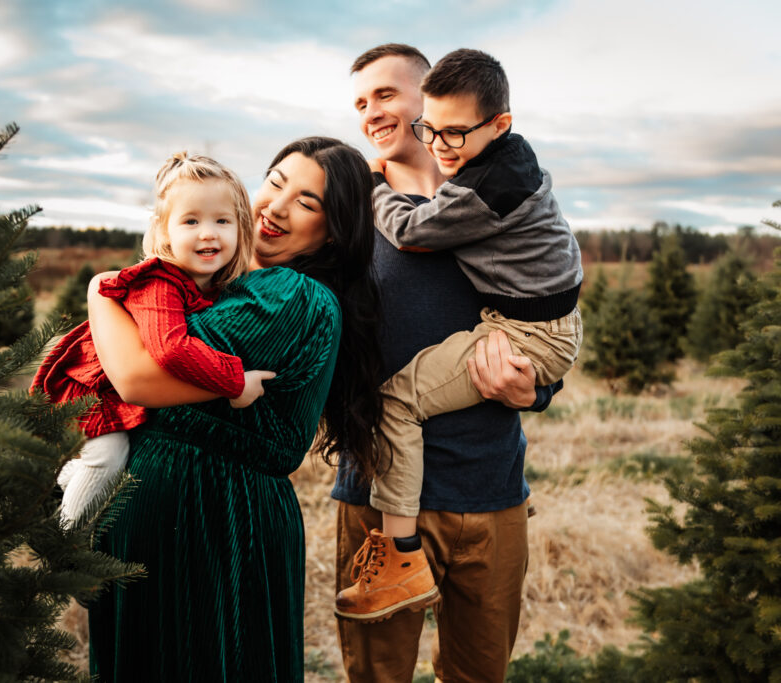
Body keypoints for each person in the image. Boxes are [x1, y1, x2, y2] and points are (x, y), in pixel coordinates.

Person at [87, 137, 386, 682]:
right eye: (274, 182)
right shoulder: (230, 285)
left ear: (335, 228)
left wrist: (100, 292)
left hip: (210, 513)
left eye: (306, 201)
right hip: (180, 506)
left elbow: (136, 372)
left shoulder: (289, 295)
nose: (275, 206)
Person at [333, 44, 561, 682]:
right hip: (378, 500)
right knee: (376, 676)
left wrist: (532, 391)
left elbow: (551, 328)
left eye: (385, 94)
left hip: (489, 494)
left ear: (429, 99)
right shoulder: (349, 215)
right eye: (358, 103)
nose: (370, 113)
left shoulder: (506, 207)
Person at [31, 153, 274, 527]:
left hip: (118, 390)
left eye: (221, 220)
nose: (207, 232)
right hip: (93, 389)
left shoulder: (217, 288)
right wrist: (235, 381)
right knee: (108, 457)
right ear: (164, 233)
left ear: (240, 228)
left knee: (110, 463)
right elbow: (171, 348)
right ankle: (64, 541)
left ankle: (64, 479)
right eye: (190, 221)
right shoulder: (160, 284)